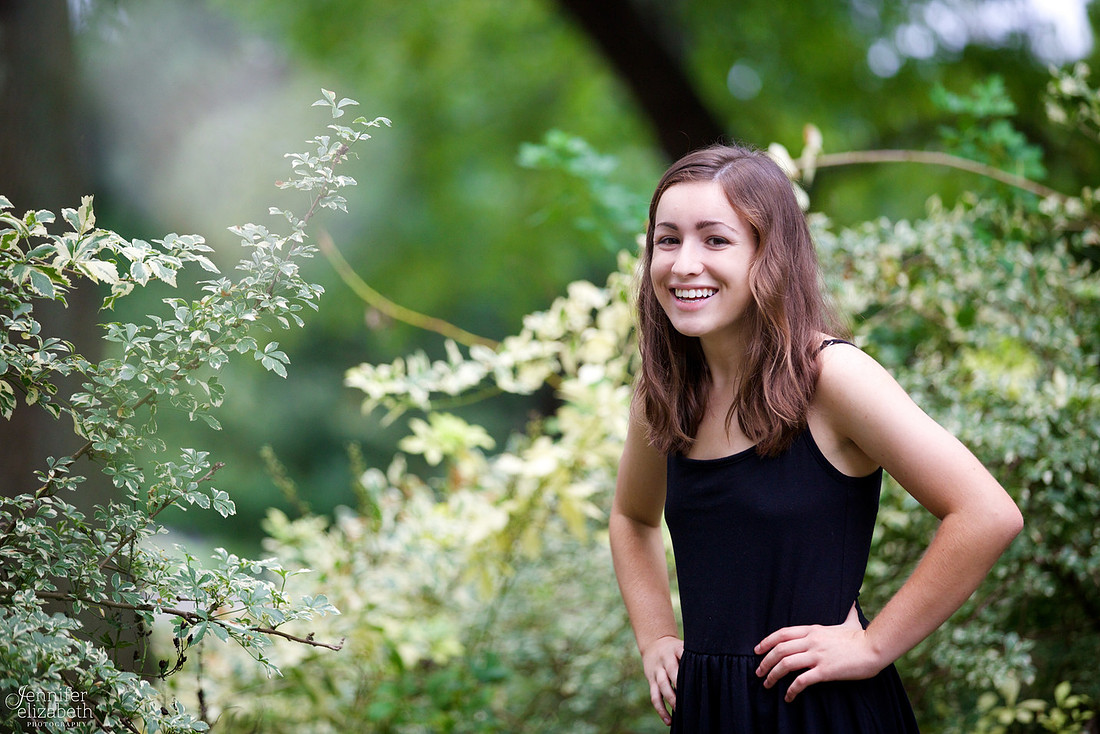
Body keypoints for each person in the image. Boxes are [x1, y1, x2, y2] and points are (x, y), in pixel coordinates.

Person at [609, 144, 1023, 732]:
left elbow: (986, 513)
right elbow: (631, 518)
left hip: (821, 710)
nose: (683, 263)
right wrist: (654, 638)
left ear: (769, 255)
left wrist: (874, 645)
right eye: (668, 239)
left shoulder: (831, 377)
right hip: (708, 711)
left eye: (716, 239)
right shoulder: (668, 391)